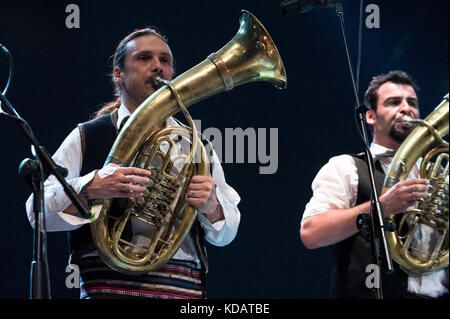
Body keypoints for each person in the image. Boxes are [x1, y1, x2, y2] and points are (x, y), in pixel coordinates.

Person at [25, 27, 241, 299]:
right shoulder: (87, 136)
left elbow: (227, 234)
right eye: (144, 58)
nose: (157, 67)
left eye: (165, 61)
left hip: (182, 291)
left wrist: (211, 206)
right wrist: (91, 186)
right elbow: (36, 210)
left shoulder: (197, 146)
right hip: (107, 289)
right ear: (119, 74)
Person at [300, 70, 448, 299]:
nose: (406, 108)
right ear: (371, 116)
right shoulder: (346, 167)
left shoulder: (440, 173)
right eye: (393, 102)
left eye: (412, 103)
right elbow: (312, 233)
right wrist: (382, 206)